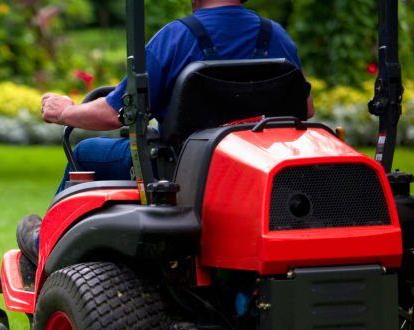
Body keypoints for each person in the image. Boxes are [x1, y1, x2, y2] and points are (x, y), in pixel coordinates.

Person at [17, 0, 314, 276]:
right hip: (260, 171)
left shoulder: (175, 38)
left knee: (86, 151)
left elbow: (112, 113)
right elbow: (307, 108)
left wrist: (66, 111)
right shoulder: (275, 35)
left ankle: (45, 243)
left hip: (180, 173)